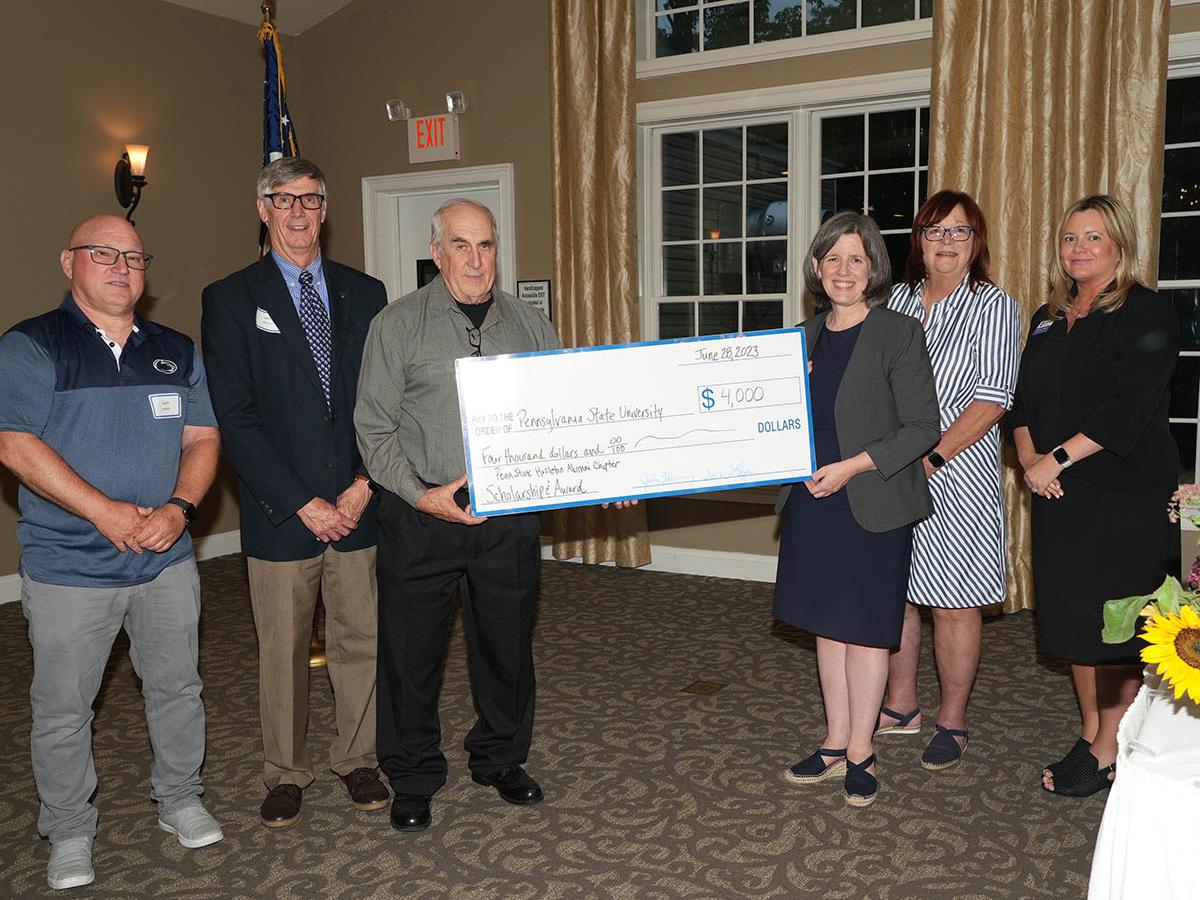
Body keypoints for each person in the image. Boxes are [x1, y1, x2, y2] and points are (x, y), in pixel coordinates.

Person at [0, 215, 223, 890]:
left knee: (178, 688)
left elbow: (203, 439)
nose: (122, 266)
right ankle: (68, 830)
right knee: (64, 709)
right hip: (71, 568)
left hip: (165, 563)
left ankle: (180, 799)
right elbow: (15, 445)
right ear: (70, 262)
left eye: (133, 256)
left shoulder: (175, 349)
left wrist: (179, 510)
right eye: (104, 254)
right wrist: (107, 513)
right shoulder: (32, 345)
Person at [354, 198, 560, 833]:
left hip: (508, 520)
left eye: (487, 245)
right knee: (411, 656)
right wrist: (421, 495)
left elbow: (559, 416)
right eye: (462, 246)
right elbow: (373, 429)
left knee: (505, 648)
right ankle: (413, 775)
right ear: (437, 253)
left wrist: (608, 470)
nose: (476, 259)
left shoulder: (531, 326)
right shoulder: (397, 325)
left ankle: (500, 758)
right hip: (421, 516)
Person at [201, 158, 389, 828]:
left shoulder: (366, 293)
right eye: (285, 201)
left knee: (359, 639)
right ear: (263, 209)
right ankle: (284, 772)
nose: (300, 213)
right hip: (281, 512)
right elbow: (236, 416)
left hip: (359, 502)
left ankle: (358, 758)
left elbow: (380, 401)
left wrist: (365, 487)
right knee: (281, 649)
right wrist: (305, 502)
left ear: (326, 207)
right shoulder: (229, 299)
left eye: (311, 199)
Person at [1008, 194, 1179, 797]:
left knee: (1117, 625)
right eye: (1069, 239)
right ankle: (1093, 732)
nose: (1078, 249)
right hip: (1057, 493)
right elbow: (1022, 399)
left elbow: (1126, 409)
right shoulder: (1046, 315)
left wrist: (1052, 458)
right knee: (1078, 622)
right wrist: (1031, 460)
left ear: (1119, 246)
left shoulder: (1148, 313)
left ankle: (1112, 746)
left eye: (1093, 238)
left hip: (1123, 496)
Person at [773, 211, 940, 807]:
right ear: (816, 267)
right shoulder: (800, 337)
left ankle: (864, 750)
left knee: (866, 631)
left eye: (857, 259)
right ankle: (835, 740)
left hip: (871, 501)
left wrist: (851, 466)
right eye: (833, 258)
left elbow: (923, 427)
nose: (844, 270)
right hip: (812, 503)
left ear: (873, 269)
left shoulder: (898, 332)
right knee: (827, 625)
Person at [879, 191, 1021, 769]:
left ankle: (952, 717)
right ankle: (901, 702)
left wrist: (931, 458)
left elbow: (991, 400)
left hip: (956, 475)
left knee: (954, 604)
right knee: (896, 596)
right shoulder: (894, 303)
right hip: (888, 472)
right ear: (918, 239)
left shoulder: (994, 306)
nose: (945, 242)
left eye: (959, 232)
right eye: (934, 231)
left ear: (976, 242)